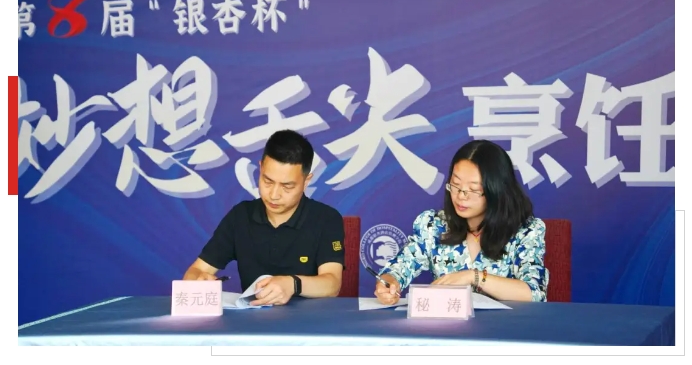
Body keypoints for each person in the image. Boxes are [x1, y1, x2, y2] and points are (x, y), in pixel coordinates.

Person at [374, 139, 549, 305]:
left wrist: (474, 277)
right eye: (456, 185)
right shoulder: (434, 225)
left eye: (473, 189)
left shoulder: (525, 231)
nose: (460, 196)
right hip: (449, 325)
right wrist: (389, 283)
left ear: (497, 190)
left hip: (504, 326)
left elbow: (534, 293)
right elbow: (398, 268)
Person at [183, 129, 345, 306]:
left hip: (309, 321)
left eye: (287, 186)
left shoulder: (326, 218)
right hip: (251, 319)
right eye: (267, 181)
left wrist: (292, 284)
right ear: (260, 168)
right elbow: (196, 270)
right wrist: (198, 280)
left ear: (306, 181)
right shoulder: (240, 216)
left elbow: (332, 284)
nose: (274, 195)